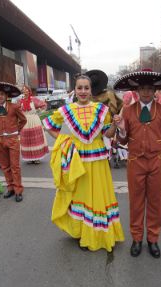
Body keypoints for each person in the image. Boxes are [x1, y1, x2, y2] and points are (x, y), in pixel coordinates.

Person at [43, 74, 124, 252]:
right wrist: (64, 141)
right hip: (77, 160)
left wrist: (115, 125)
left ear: (91, 90)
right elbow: (49, 125)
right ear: (75, 89)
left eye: (86, 88)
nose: (83, 91)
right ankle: (81, 232)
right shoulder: (66, 110)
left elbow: (107, 134)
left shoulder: (102, 109)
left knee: (99, 194)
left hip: (98, 159)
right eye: (79, 88)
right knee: (80, 196)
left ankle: (97, 233)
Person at [113, 70, 161, 258]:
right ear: (137, 90)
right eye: (142, 88)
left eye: (150, 88)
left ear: (155, 90)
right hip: (135, 162)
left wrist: (155, 148)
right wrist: (122, 131)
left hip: (157, 162)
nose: (146, 92)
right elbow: (123, 140)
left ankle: (153, 239)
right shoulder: (128, 110)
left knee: (156, 202)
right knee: (136, 202)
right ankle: (136, 238)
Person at [19, 85, 49, 164]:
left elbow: (44, 105)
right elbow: (17, 111)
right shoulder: (20, 101)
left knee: (35, 139)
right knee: (26, 139)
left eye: (26, 90)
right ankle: (29, 158)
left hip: (34, 120)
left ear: (29, 91)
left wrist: (38, 112)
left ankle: (37, 157)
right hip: (25, 121)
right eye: (23, 90)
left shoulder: (34, 100)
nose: (25, 91)